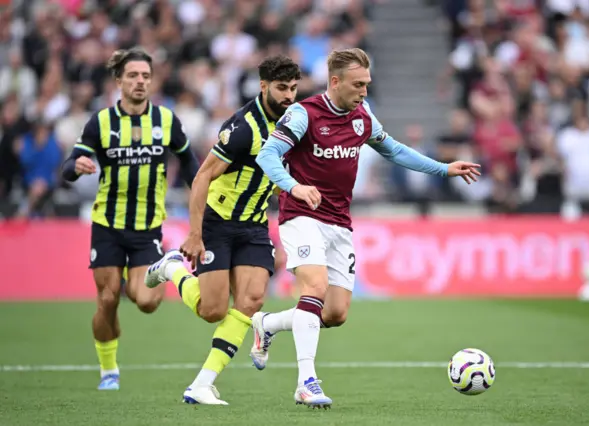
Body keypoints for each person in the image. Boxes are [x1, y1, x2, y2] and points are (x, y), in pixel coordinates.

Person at [253, 48, 481, 408]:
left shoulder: (363, 116)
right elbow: (267, 155)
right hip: (301, 214)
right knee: (315, 286)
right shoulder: (303, 114)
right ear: (335, 81)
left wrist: (443, 168)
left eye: (367, 84)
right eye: (358, 84)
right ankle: (305, 381)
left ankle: (267, 324)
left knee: (335, 313)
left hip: (339, 222)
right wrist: (293, 186)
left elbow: (393, 150)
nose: (364, 91)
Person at [144, 55, 301, 405]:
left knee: (251, 301)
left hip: (255, 226)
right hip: (218, 222)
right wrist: (195, 234)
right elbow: (202, 177)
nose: (289, 95)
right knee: (212, 310)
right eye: (281, 88)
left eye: (293, 88)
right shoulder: (242, 129)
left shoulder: (295, 121)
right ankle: (172, 268)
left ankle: (202, 383)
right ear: (264, 87)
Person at [61, 48, 199, 391]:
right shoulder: (101, 122)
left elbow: (193, 168)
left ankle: (153, 271)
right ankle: (109, 370)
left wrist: (204, 204)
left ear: (152, 81)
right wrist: (75, 168)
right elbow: (69, 165)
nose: (140, 82)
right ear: (119, 80)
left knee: (148, 302)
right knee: (107, 300)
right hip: (107, 227)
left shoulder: (166, 121)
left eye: (146, 76)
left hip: (147, 228)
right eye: (134, 75)